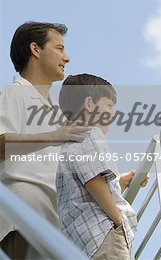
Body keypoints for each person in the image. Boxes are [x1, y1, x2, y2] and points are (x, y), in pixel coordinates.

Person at [0, 21, 91, 259]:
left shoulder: (57, 113)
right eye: (60, 48)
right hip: (23, 221)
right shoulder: (15, 93)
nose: (67, 58)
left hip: (56, 230)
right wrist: (52, 137)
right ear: (35, 49)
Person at [56, 73, 141, 259]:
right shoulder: (91, 134)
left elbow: (83, 188)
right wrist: (118, 220)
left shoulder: (65, 145)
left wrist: (120, 183)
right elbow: (93, 181)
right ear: (89, 104)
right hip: (104, 232)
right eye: (109, 105)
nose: (113, 112)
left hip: (82, 242)